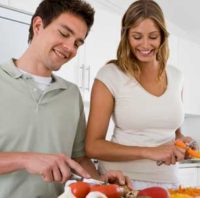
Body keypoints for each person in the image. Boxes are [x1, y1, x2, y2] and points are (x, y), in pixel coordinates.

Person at [0, 0, 130, 197]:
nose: (70, 48)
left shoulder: (71, 94)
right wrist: (25, 159)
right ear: (38, 26)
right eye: (64, 33)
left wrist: (99, 181)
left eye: (78, 42)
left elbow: (78, 158)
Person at [86, 0, 197, 190]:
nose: (145, 45)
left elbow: (176, 132)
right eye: (137, 36)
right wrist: (150, 152)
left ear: (162, 37)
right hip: (123, 182)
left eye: (153, 36)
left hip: (169, 182)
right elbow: (92, 146)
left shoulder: (177, 77)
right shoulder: (110, 75)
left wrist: (185, 144)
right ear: (126, 36)